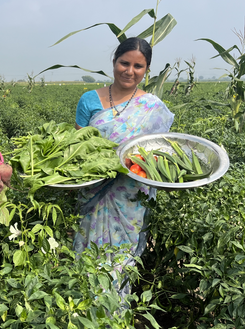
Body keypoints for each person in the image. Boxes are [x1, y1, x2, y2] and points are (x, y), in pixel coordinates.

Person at [73, 37, 174, 298]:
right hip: (92, 192)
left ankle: (113, 313)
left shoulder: (151, 107)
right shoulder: (88, 101)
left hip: (129, 197)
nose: (129, 71)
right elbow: (76, 149)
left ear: (146, 70)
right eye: (124, 63)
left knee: (118, 263)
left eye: (138, 66)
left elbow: (158, 152)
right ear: (114, 62)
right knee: (86, 261)